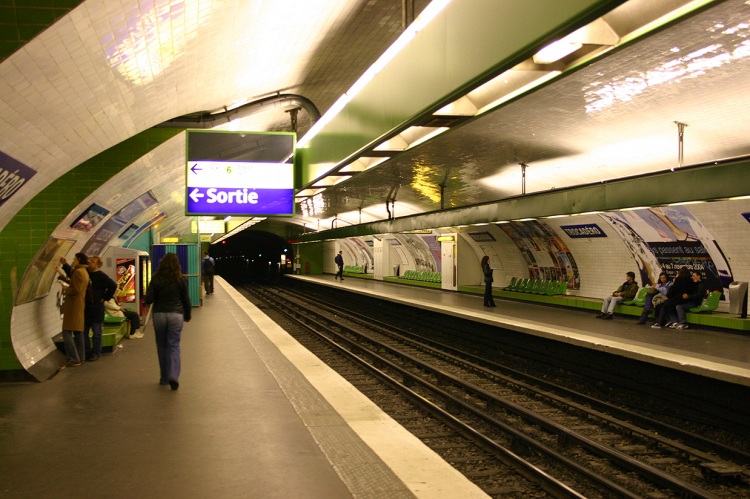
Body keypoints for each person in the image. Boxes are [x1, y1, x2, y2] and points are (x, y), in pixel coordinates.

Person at [145, 253, 192, 390]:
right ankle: (173, 375)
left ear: (162, 263)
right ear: (177, 265)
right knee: (174, 345)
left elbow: (149, 299)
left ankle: (164, 377)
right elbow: (186, 300)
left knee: (162, 346)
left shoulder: (155, 278)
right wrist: (187, 315)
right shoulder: (180, 279)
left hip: (159, 314)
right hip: (176, 315)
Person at [59, 253, 90, 367]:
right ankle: (81, 357)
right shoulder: (84, 272)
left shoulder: (78, 272)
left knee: (66, 331)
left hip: (73, 305)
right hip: (80, 304)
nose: (73, 261)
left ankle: (73, 358)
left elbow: (76, 289)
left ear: (78, 259)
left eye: (74, 259)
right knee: (78, 332)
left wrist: (66, 289)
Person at [83, 256, 117, 361]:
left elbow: (113, 285)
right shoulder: (85, 273)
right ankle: (86, 352)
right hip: (86, 307)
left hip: (97, 307)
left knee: (96, 332)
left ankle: (96, 353)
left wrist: (105, 298)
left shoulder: (101, 276)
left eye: (92, 262)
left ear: (97, 265)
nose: (89, 263)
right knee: (84, 332)